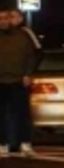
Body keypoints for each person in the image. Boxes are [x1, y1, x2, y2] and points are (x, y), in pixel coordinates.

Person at [0, 10, 40, 157]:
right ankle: (2, 145)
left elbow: (33, 56)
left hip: (19, 81)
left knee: (22, 114)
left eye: (6, 18)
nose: (3, 21)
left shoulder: (23, 35)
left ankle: (25, 145)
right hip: (1, 81)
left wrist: (28, 74)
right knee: (1, 115)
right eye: (0, 18)